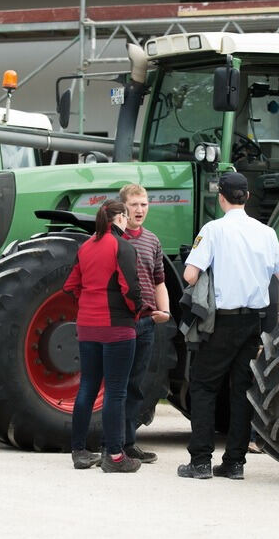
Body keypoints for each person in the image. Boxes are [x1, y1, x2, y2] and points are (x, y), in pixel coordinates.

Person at [177, 171, 279, 480]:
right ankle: (235, 462)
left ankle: (200, 460)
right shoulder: (266, 233)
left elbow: (189, 275)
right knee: (241, 389)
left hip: (220, 323)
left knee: (203, 386)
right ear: (248, 197)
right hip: (253, 321)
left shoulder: (213, 230)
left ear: (221, 197)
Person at [64, 199, 144, 473]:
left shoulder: (85, 246)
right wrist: (135, 313)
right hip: (116, 326)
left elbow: (71, 285)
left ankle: (79, 451)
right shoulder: (122, 246)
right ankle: (114, 456)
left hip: (87, 325)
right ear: (120, 217)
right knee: (116, 390)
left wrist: (87, 307)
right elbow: (131, 289)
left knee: (87, 386)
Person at [119, 184, 171, 464]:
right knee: (115, 384)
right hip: (120, 324)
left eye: (144, 204)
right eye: (134, 205)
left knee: (136, 385)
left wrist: (165, 311)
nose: (140, 210)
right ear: (123, 207)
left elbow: (159, 281)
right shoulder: (113, 239)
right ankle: (108, 444)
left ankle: (128, 443)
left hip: (146, 324)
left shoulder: (152, 240)